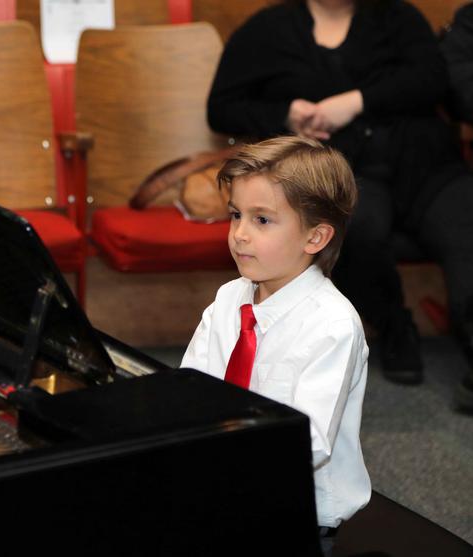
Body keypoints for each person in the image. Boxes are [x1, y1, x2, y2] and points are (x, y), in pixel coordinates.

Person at [206, 0, 473, 407]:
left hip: (426, 166)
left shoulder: (399, 17)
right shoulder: (268, 28)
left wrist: (357, 101)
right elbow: (221, 108)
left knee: (468, 228)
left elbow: (434, 80)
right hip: (346, 174)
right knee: (351, 229)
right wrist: (285, 114)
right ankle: (393, 325)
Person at [181, 136, 370, 555]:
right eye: (236, 215)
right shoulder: (230, 298)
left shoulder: (333, 325)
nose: (239, 235)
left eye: (262, 220)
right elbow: (190, 387)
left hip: (299, 513)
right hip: (225, 485)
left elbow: (306, 443)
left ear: (315, 238)